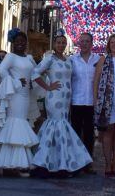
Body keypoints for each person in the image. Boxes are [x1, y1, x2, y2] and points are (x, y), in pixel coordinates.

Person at [31, 33, 92, 176]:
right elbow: (34, 73)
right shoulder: (49, 59)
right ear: (54, 44)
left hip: (66, 99)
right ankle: (46, 163)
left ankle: (60, 161)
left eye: (63, 42)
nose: (61, 45)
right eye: (58, 42)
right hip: (54, 98)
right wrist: (47, 87)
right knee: (56, 125)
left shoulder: (69, 60)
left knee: (62, 126)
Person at [0, 29, 38, 173]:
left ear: (26, 43)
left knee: (23, 122)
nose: (20, 43)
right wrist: (15, 82)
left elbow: (34, 73)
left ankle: (18, 162)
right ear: (13, 43)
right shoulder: (10, 57)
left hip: (26, 95)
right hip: (15, 95)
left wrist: (31, 82)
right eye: (17, 41)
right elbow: (1, 71)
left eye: (22, 41)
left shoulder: (29, 58)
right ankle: (11, 164)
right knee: (15, 123)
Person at [93, 34, 115, 177]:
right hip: (105, 101)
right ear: (109, 45)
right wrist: (96, 98)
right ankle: (108, 164)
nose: (114, 44)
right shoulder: (103, 59)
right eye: (112, 42)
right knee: (107, 131)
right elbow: (96, 80)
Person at [69, 31, 99, 172]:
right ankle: (76, 161)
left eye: (87, 41)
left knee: (89, 134)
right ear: (79, 43)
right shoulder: (72, 60)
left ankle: (88, 163)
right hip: (76, 101)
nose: (85, 43)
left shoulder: (98, 59)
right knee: (75, 132)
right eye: (82, 41)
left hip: (91, 102)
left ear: (91, 43)